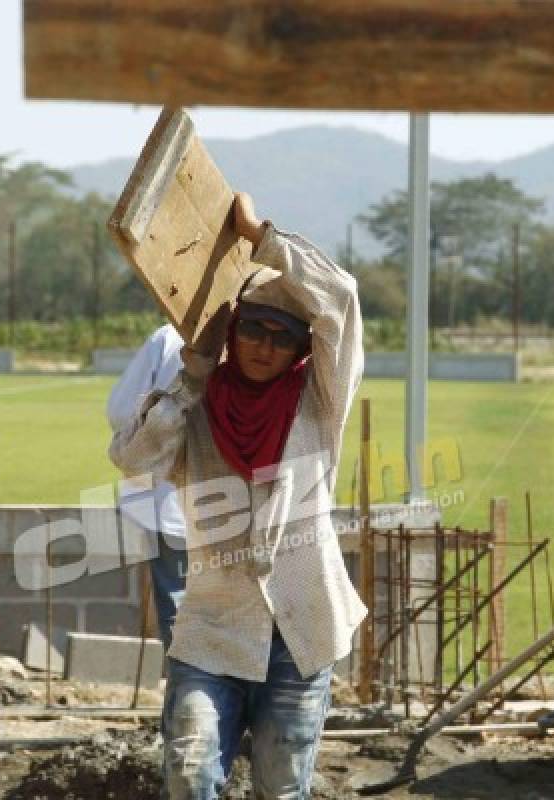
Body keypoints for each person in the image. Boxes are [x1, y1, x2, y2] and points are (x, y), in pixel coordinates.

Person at [109, 192, 366, 799]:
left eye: (283, 337)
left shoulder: (318, 407)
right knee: (191, 774)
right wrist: (193, 373)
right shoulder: (197, 409)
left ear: (302, 349)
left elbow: (343, 300)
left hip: (300, 633)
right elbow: (134, 458)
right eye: (253, 328)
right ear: (233, 331)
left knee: (281, 788)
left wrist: (263, 237)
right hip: (212, 629)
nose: (264, 346)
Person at [106, 323, 188, 653]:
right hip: (247, 503)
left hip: (170, 503)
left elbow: (121, 410)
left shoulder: (170, 336)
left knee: (180, 612)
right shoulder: (258, 328)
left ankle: (191, 698)